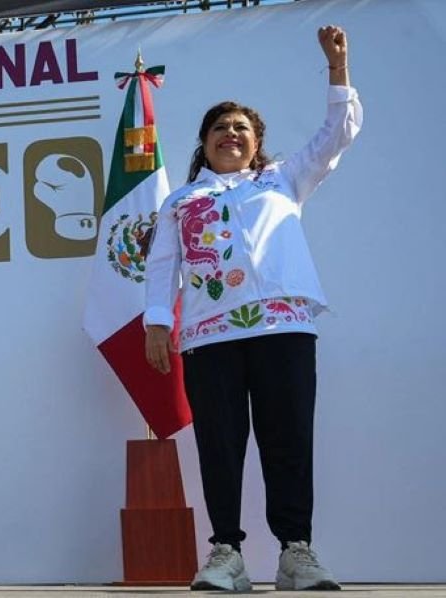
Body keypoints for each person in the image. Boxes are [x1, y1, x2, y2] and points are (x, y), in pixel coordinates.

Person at [143, 26, 361, 592]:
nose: (230, 134)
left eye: (240, 128)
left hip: (285, 327)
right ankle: (226, 555)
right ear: (205, 142)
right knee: (220, 443)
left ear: (256, 141)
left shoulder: (284, 179)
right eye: (220, 128)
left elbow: (337, 133)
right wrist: (157, 324)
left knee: (288, 438)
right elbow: (161, 265)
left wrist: (337, 69)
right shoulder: (182, 200)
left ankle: (296, 551)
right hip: (209, 335)